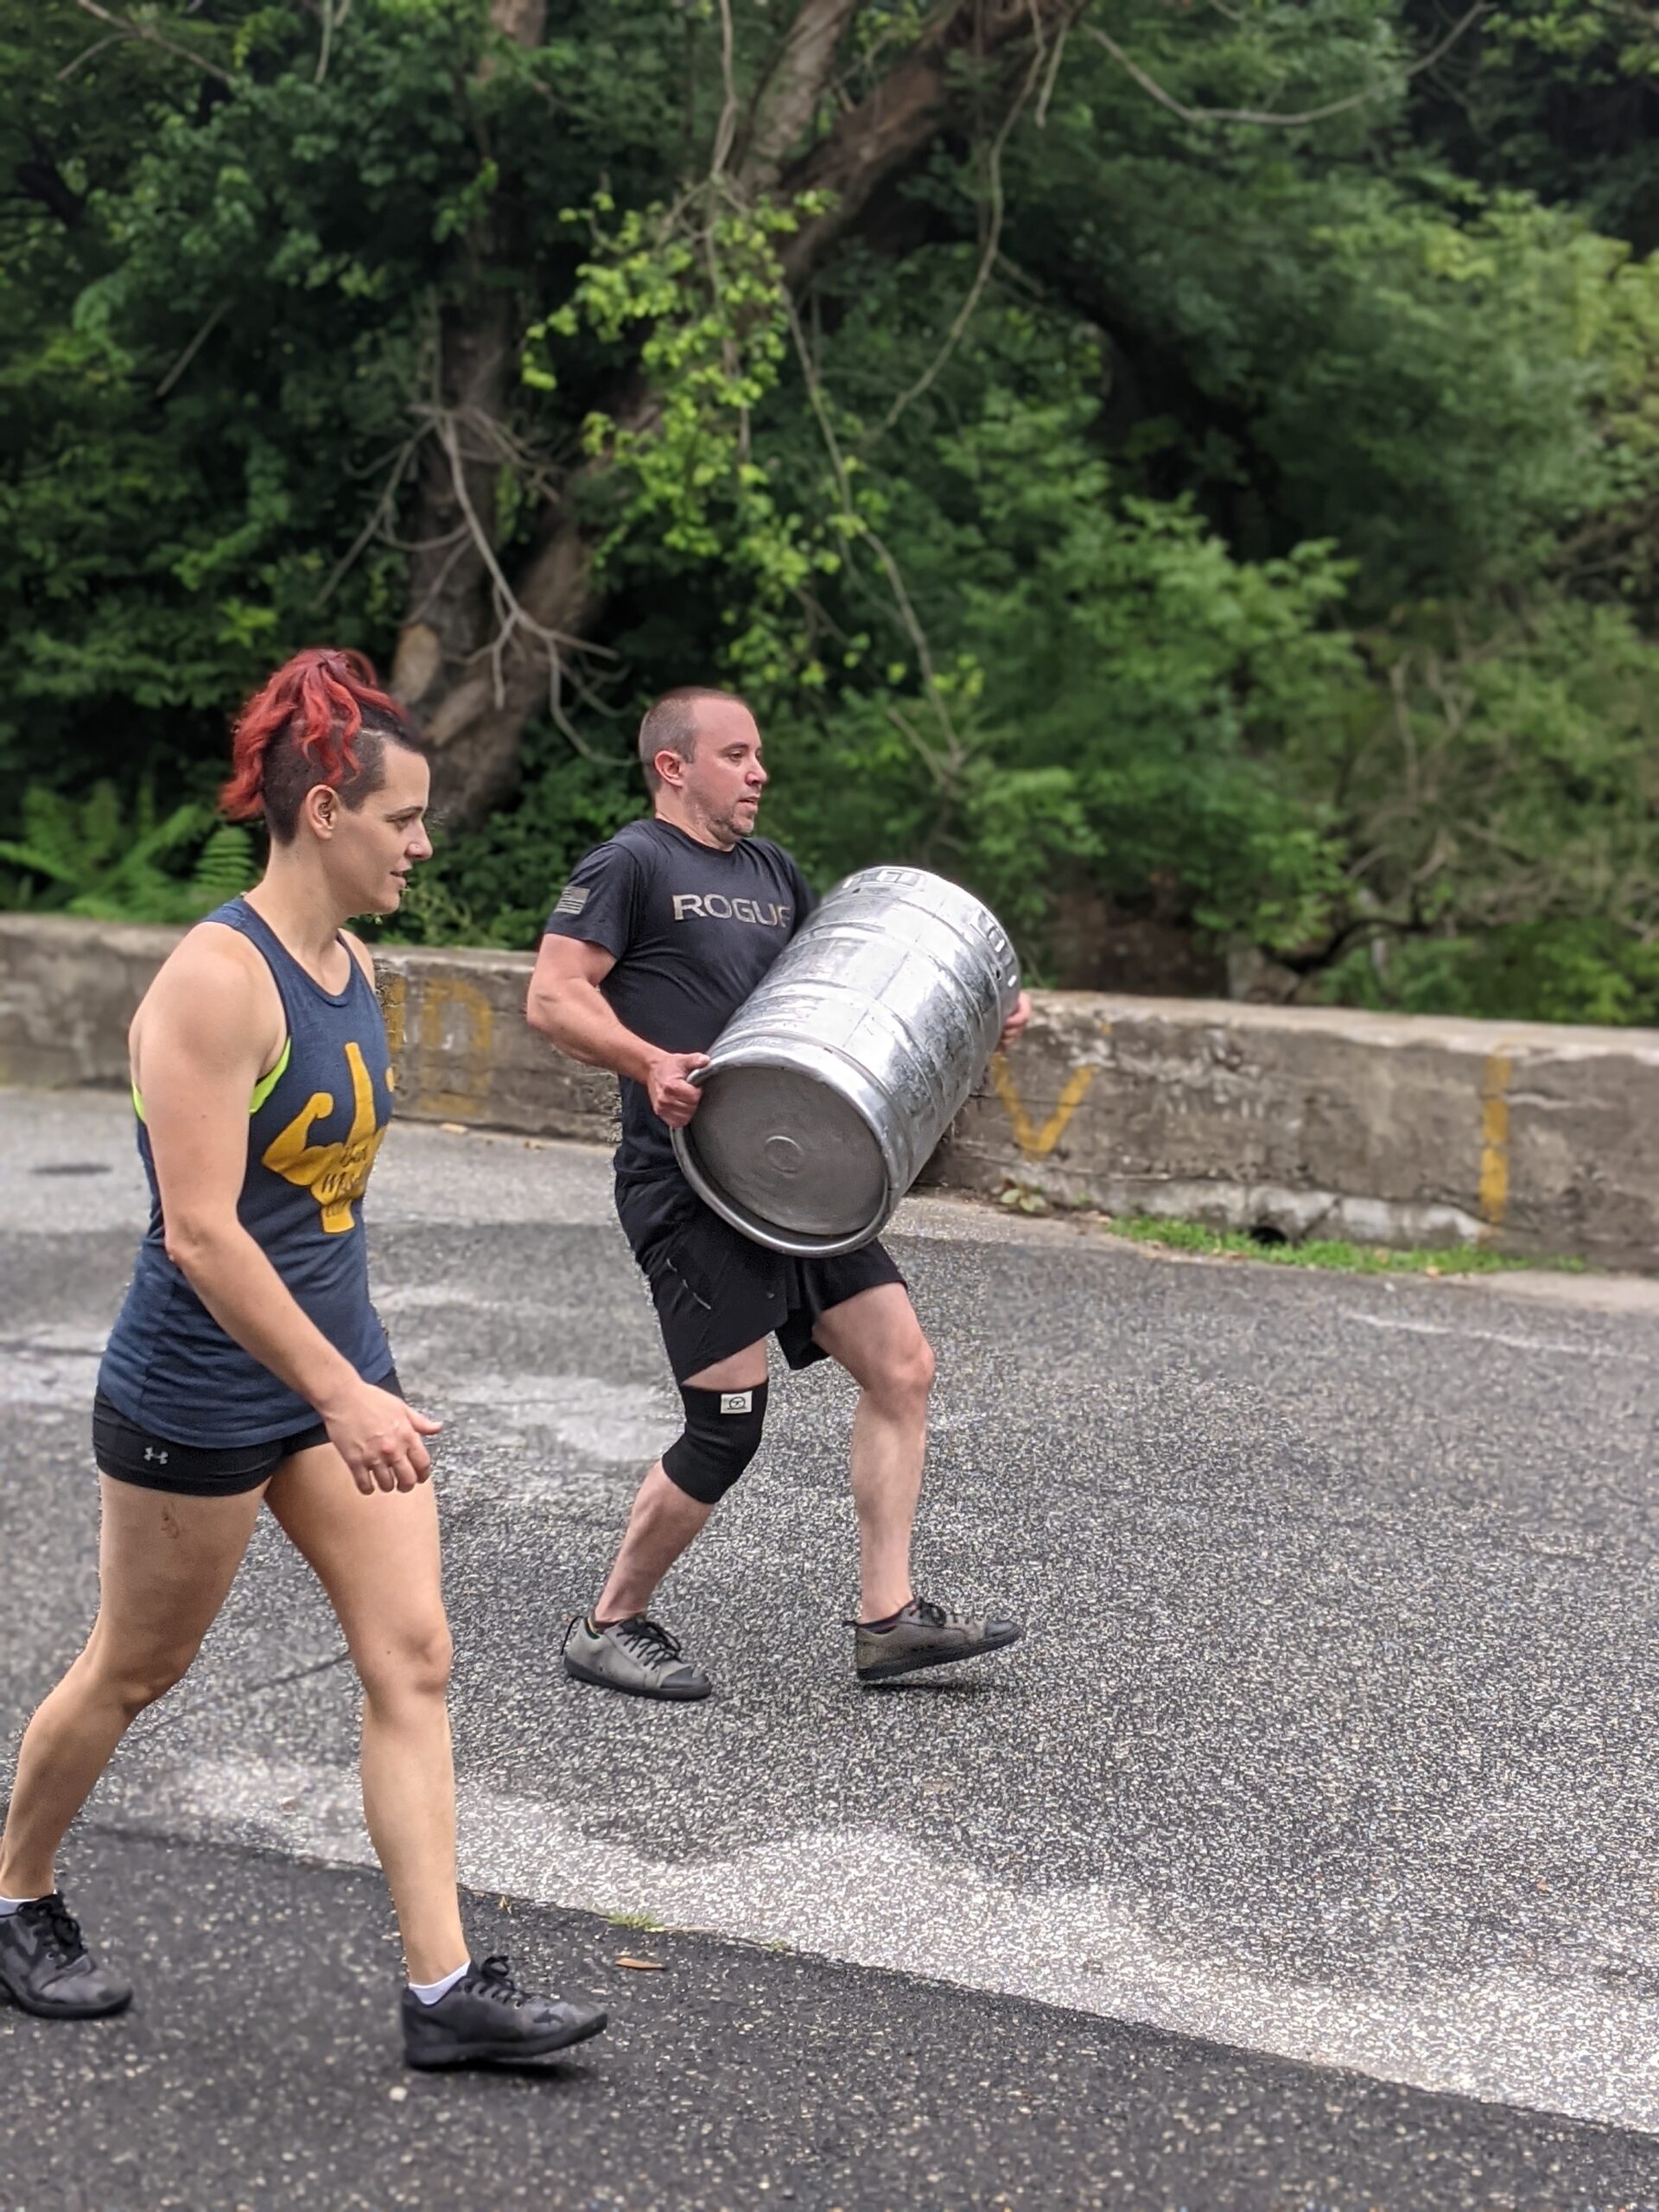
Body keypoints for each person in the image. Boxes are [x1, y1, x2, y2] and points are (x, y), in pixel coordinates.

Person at [0, 648, 607, 2070]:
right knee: (137, 1669)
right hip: (201, 1392)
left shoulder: (349, 964)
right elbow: (202, 1235)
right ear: (325, 810)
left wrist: (352, 1379)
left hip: (340, 1382)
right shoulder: (215, 986)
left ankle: (444, 1991)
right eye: (404, 819)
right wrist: (336, 1391)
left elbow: (317, 1207)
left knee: (414, 1658)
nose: (424, 841)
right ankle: (15, 1891)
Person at [525, 686, 1032, 1701]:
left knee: (902, 1365)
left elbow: (846, 995)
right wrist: (647, 1061)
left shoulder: (773, 874)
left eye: (759, 755)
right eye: (737, 754)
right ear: (674, 767)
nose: (760, 772)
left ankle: (887, 1621)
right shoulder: (630, 864)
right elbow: (553, 994)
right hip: (689, 1178)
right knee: (728, 1424)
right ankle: (608, 1621)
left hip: (798, 1169)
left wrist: (972, 1011)